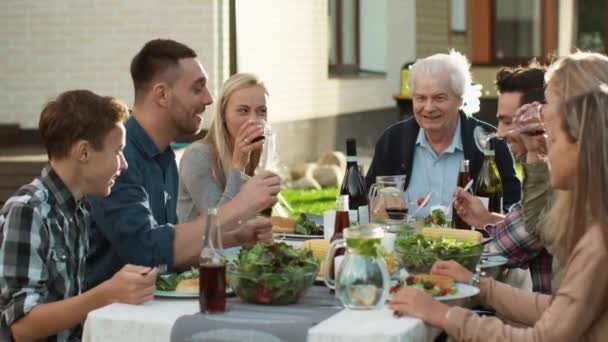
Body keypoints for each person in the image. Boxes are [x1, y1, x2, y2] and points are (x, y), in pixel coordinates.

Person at [389, 51, 608, 341]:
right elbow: (558, 309)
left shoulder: (599, 238)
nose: (545, 149)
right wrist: (480, 285)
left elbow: (543, 335)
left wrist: (445, 315)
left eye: (551, 138)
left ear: (584, 137)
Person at [86, 39, 280, 288]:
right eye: (198, 88)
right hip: (108, 317)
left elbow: (169, 255)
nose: (210, 99)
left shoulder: (164, 155)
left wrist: (233, 239)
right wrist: (241, 204)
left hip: (150, 303)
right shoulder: (118, 159)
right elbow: (147, 251)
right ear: (162, 95)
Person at [0, 90, 158, 342]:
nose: (124, 164)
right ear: (83, 152)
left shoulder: (79, 209)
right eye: (118, 151)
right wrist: (107, 293)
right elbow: (22, 325)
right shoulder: (28, 211)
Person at [365, 51, 520, 218]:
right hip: (403, 242)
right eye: (420, 98)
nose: (429, 107)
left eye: (439, 98)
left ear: (460, 99)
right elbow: (367, 200)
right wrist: (375, 207)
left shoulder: (491, 143)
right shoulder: (392, 141)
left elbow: (513, 209)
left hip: (476, 243)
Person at [453, 63, 553, 294]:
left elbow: (501, 250)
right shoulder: (543, 170)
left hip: (557, 323)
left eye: (508, 121)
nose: (498, 133)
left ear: (538, 119)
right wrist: (487, 218)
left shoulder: (555, 178)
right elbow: (529, 225)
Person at [178, 73, 273, 222]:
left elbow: (255, 223)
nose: (253, 120)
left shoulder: (256, 152)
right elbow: (217, 224)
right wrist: (237, 167)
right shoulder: (197, 156)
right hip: (201, 244)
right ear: (223, 114)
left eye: (261, 111)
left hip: (240, 244)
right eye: (243, 110)